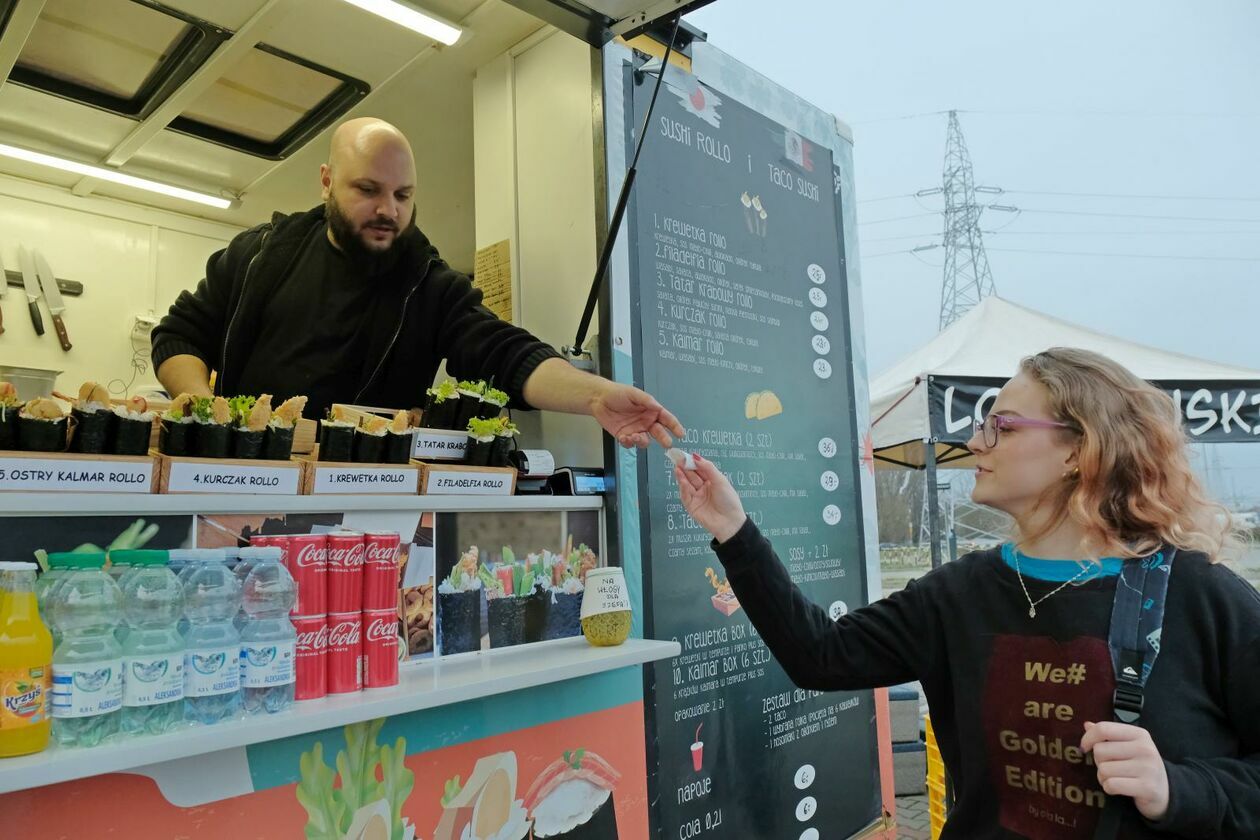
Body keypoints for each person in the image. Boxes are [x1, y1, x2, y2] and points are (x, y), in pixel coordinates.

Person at [674, 347, 1260, 838]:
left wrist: (1177, 789)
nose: (975, 443)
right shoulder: (957, 594)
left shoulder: (1203, 598)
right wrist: (734, 531)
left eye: (1000, 426)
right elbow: (819, 655)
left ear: (1079, 451)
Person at [150, 117, 681, 449]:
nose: (388, 210)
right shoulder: (258, 256)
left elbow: (501, 351)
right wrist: (205, 412)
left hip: (365, 501)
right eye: (368, 189)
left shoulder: (428, 284)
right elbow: (179, 335)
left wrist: (593, 396)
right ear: (327, 180)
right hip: (242, 479)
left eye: (403, 195)